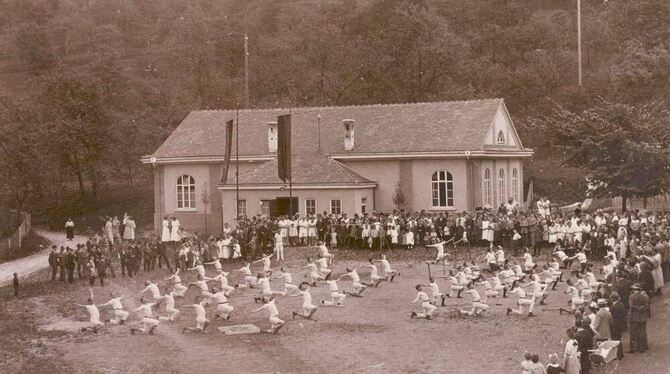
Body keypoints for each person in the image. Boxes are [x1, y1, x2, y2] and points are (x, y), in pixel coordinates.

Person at [628, 283, 649, 353]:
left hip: (633, 317)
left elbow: (631, 306)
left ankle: (632, 349)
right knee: (642, 332)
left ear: (634, 289)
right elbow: (646, 306)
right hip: (642, 317)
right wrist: (641, 308)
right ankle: (642, 348)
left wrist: (636, 308)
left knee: (632, 333)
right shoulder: (644, 297)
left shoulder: (631, 296)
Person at [609, 292, 626, 360]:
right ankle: (620, 354)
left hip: (615, 325)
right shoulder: (621, 304)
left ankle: (617, 354)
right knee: (618, 339)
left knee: (615, 339)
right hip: (619, 324)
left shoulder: (613, 307)